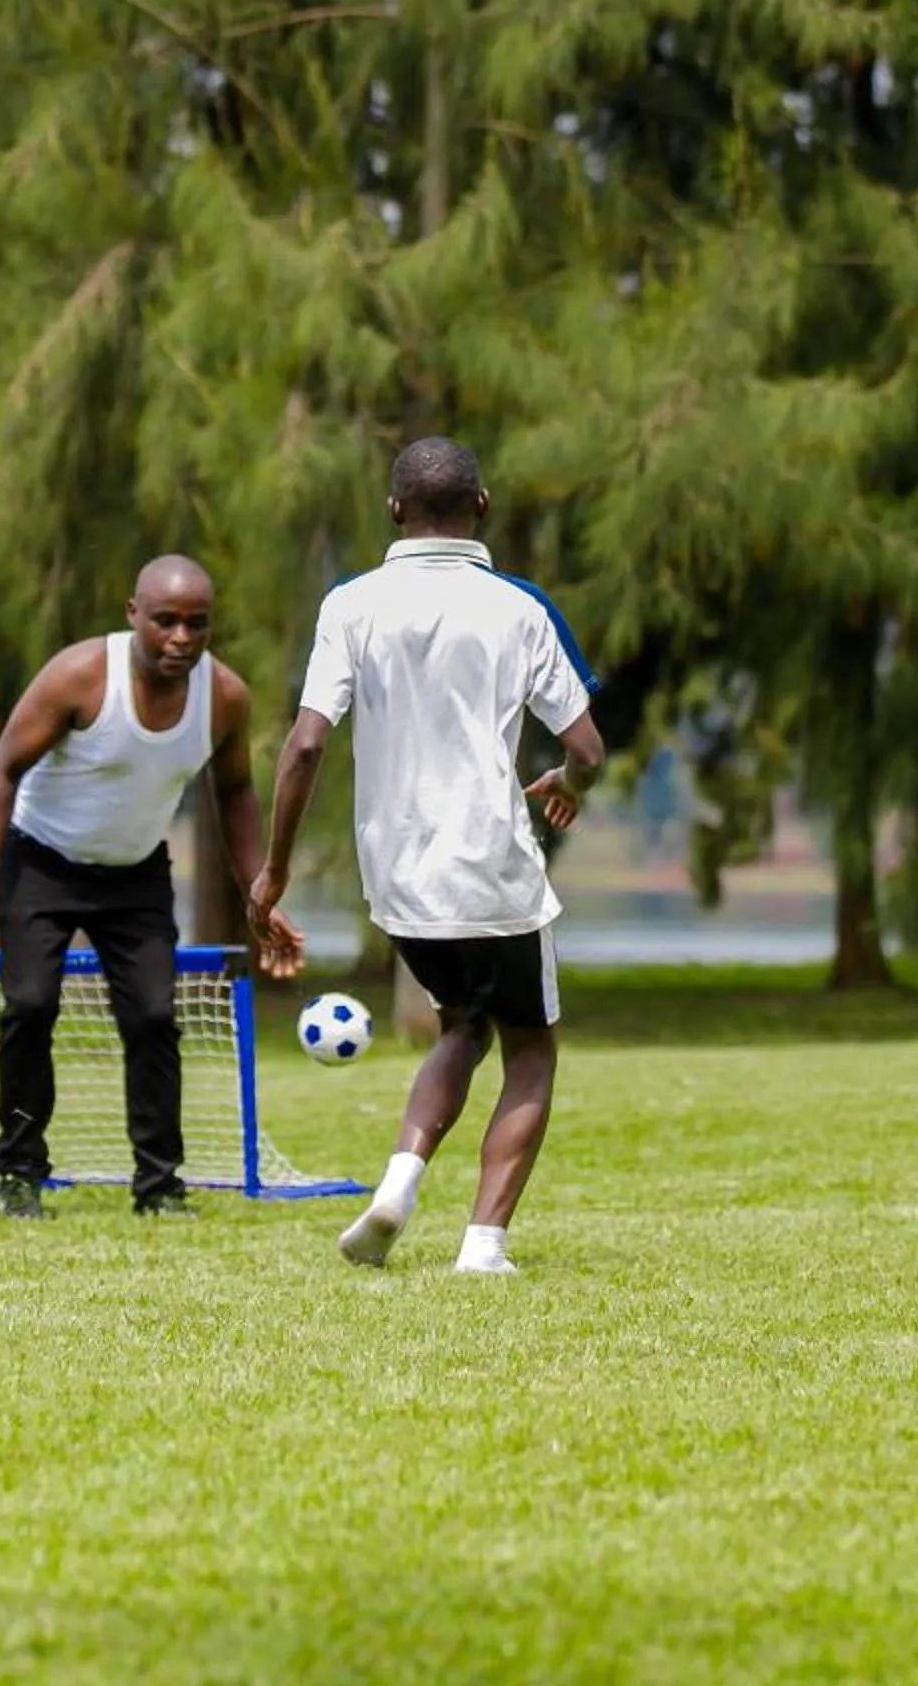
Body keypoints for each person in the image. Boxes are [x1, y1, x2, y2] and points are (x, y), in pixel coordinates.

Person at [248, 438, 606, 1276]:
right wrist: (568, 780)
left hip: (397, 873)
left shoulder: (350, 604)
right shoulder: (520, 608)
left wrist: (274, 869)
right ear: (482, 507)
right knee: (530, 1047)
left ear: (394, 511)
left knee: (464, 1023)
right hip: (492, 867)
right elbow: (584, 744)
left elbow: (304, 745)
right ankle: (483, 1244)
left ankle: (400, 1184)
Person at [0, 555, 303, 1221]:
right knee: (29, 1007)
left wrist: (258, 895)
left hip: (136, 874)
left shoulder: (224, 697)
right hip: (41, 863)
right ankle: (21, 1174)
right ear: (132, 614)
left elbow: (233, 792)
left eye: (197, 624)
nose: (181, 638)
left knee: (151, 1017)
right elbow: (1, 772)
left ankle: (160, 1186)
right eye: (166, 621)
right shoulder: (80, 676)